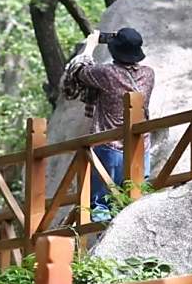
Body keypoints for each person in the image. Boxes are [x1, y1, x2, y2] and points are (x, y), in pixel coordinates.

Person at [59, 26, 155, 219]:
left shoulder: (107, 74)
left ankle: (104, 239)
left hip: (109, 148)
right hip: (140, 148)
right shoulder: (149, 74)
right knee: (135, 203)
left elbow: (78, 70)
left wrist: (90, 46)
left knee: (101, 206)